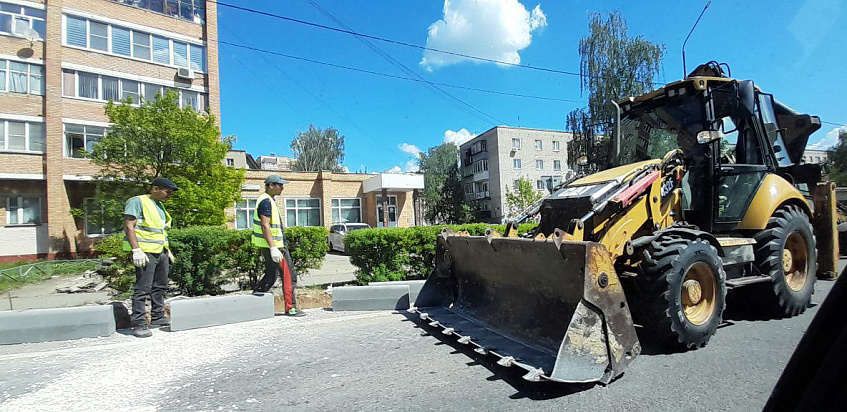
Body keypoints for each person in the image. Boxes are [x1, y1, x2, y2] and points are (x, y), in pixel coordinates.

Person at [123, 177, 178, 338]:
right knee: (143, 288)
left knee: (160, 286)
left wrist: (167, 250)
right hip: (145, 252)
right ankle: (139, 323)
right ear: (155, 188)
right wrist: (136, 250)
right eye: (167, 192)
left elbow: (160, 231)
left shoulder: (160, 206)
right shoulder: (137, 202)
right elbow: (129, 226)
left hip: (160, 251)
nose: (169, 196)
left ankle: (158, 316)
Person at [252, 175, 305, 317]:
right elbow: (265, 225)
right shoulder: (266, 202)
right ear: (271, 186)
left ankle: (254, 300)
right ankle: (290, 308)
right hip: (276, 247)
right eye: (280, 185)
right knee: (289, 276)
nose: (282, 188)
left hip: (271, 246)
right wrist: (273, 247)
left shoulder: (267, 200)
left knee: (271, 275)